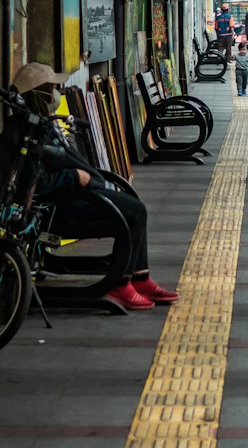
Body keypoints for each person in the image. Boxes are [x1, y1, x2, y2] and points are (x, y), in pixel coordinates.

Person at [12, 61, 177, 313]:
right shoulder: (27, 133)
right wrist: (74, 177)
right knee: (133, 213)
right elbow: (35, 183)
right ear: (39, 93)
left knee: (135, 209)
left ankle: (139, 277)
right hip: (59, 207)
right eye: (52, 88)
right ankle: (122, 283)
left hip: (74, 196)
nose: (58, 92)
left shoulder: (43, 123)